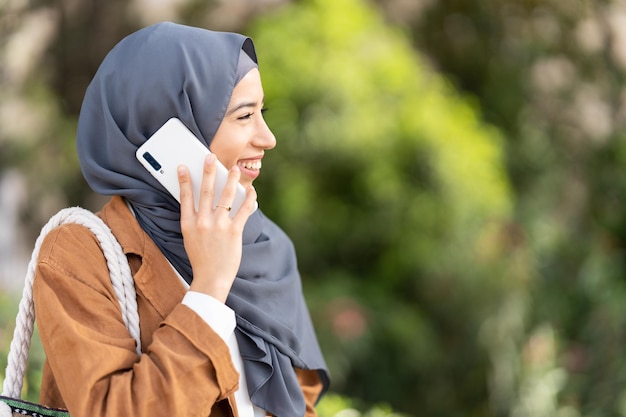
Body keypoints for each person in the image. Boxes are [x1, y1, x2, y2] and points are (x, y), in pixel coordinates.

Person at [32, 22, 330, 417]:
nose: (268, 137)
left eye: (263, 112)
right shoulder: (79, 255)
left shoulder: (267, 248)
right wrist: (208, 288)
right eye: (244, 116)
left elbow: (299, 400)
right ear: (170, 132)